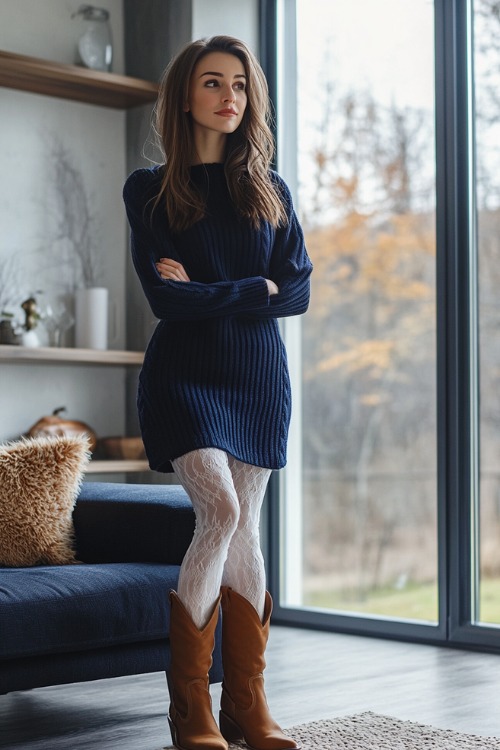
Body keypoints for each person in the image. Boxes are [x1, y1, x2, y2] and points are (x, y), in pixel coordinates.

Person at [123, 35, 312, 750]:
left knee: (246, 528)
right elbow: (167, 306)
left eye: (239, 83)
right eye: (213, 81)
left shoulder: (270, 189)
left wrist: (215, 290)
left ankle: (247, 706)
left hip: (258, 377)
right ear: (185, 95)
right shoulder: (149, 190)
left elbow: (294, 292)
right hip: (185, 376)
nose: (230, 95)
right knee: (221, 510)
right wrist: (252, 288)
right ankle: (190, 710)